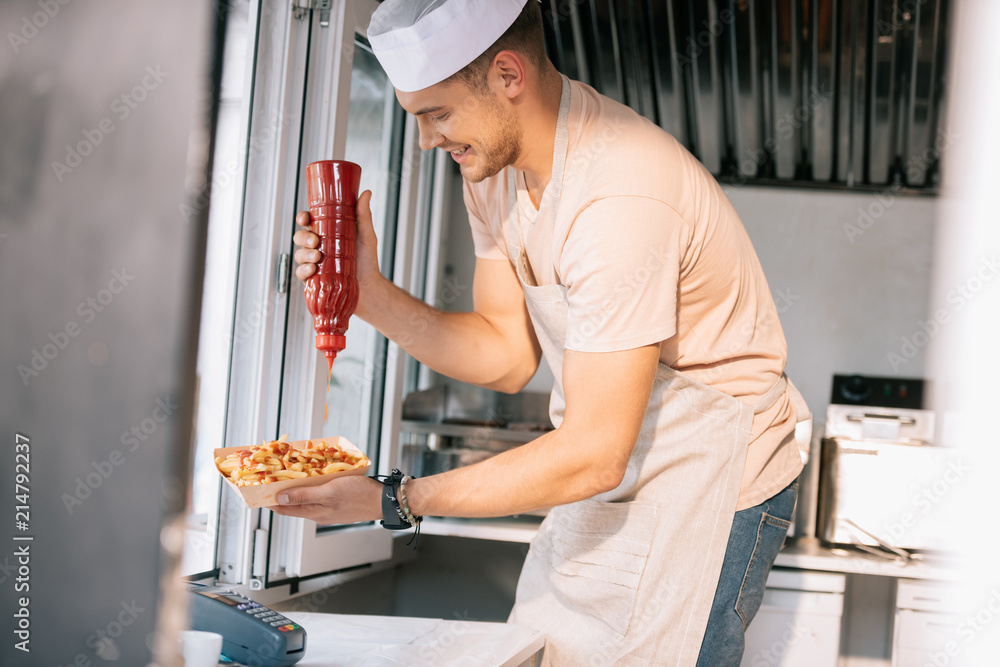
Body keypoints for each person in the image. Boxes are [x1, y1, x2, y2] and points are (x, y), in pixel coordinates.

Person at [271, 1, 809, 664]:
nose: (426, 141)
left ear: (507, 74)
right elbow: (505, 352)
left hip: (714, 472)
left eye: (436, 114)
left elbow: (594, 453)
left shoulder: (620, 193)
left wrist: (395, 498)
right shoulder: (495, 171)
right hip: (614, 453)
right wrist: (368, 295)